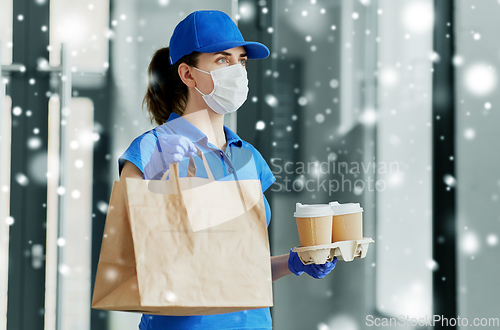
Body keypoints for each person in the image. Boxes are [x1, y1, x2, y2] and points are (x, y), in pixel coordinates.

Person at [117, 10, 338, 330]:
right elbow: (126, 250)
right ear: (188, 74)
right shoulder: (154, 150)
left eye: (241, 61)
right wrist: (154, 190)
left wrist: (294, 263)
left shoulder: (247, 157)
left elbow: (237, 269)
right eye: (223, 60)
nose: (237, 71)